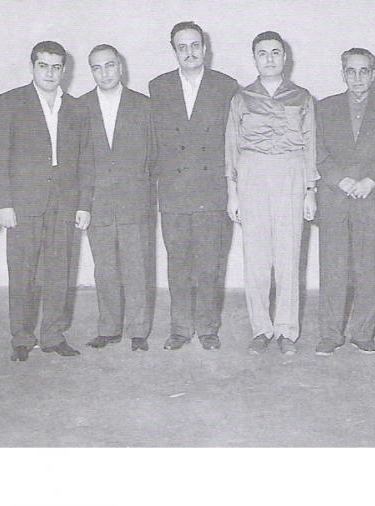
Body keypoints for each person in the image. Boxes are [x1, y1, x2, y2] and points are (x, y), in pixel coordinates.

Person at [0, 41, 87, 362]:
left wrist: (83, 204)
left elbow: (85, 159)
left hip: (64, 202)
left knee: (59, 271)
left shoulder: (76, 108)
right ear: (32, 67)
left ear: (64, 70)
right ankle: (21, 337)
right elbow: (0, 156)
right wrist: (4, 203)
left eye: (56, 67)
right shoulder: (11, 102)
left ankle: (53, 335)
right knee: (22, 272)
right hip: (23, 203)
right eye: (43, 66)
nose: (49, 73)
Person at [225, 31, 318, 356]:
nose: (269, 58)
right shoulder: (241, 98)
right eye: (262, 53)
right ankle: (261, 329)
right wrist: (233, 193)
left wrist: (310, 190)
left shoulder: (302, 97)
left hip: (291, 172)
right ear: (254, 58)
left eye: (275, 52)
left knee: (288, 255)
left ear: (285, 57)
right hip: (252, 174)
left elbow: (310, 143)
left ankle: (286, 331)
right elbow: (231, 146)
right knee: (256, 257)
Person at [148, 21, 238, 351]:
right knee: (178, 264)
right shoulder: (158, 86)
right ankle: (180, 328)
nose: (190, 52)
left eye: (195, 45)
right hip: (173, 192)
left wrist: (232, 188)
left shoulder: (226, 86)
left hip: (211, 192)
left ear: (205, 48)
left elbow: (233, 141)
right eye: (182, 47)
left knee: (210, 264)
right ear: (174, 51)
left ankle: (208, 327)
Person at [314, 48, 375, 356]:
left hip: (372, 200)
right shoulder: (324, 108)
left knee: (371, 270)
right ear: (343, 74)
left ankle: (363, 333)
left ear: (373, 75)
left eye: (363, 71)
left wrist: (373, 180)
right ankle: (330, 334)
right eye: (351, 71)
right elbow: (316, 151)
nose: (357, 77)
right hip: (335, 199)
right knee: (333, 270)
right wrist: (339, 180)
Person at [79, 44, 155, 352]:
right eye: (97, 68)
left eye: (109, 65)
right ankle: (109, 328)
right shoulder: (80, 107)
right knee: (105, 268)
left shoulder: (143, 105)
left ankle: (138, 330)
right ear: (91, 71)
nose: (104, 73)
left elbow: (154, 154)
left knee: (137, 266)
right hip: (97, 201)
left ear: (120, 67)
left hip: (134, 200)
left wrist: (141, 189)